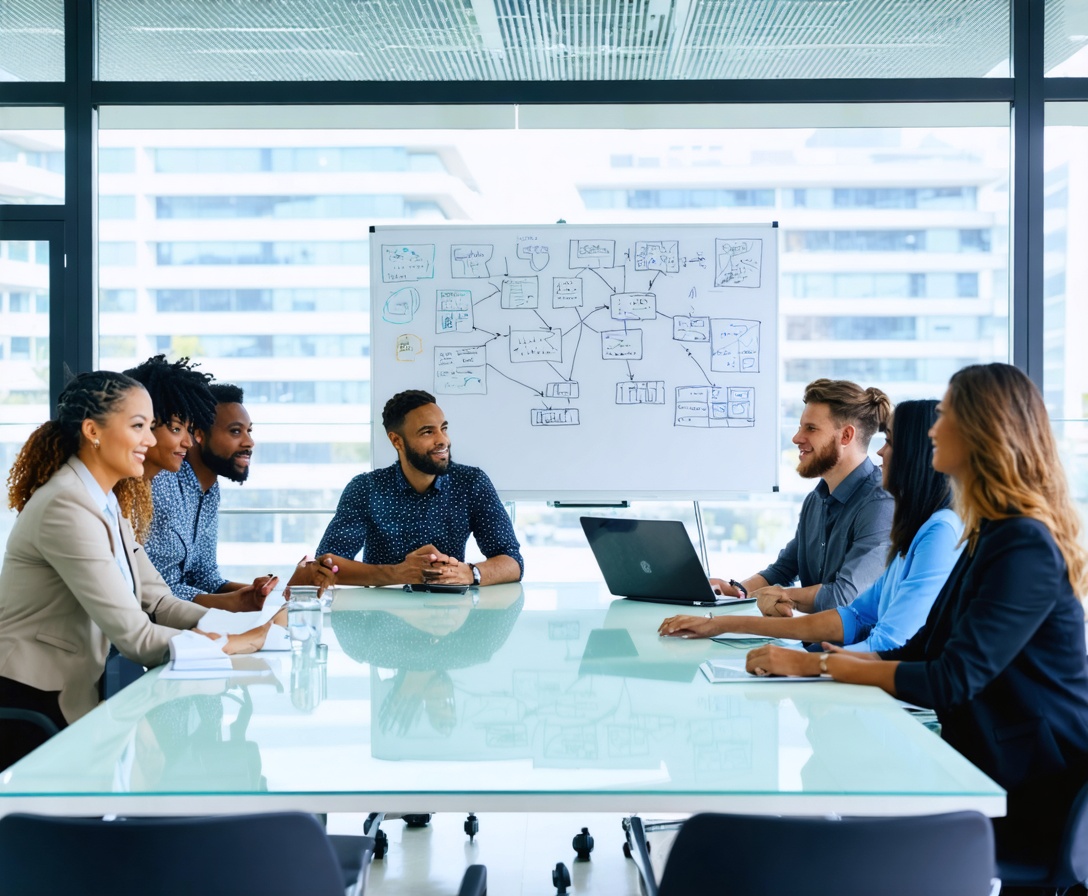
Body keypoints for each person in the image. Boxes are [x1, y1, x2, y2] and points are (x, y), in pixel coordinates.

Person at [746, 363, 1088, 868]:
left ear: (981, 432)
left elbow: (952, 678)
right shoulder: (988, 532)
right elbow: (922, 649)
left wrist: (819, 665)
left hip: (1031, 791)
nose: (932, 431)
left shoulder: (1022, 543)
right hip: (986, 765)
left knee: (852, 838)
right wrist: (822, 666)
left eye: (945, 416)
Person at [0, 371, 276, 770]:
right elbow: (137, 637)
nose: (149, 439)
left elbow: (159, 600)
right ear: (93, 431)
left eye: (150, 426)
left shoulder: (106, 502)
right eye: (138, 426)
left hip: (70, 695)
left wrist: (239, 624)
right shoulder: (66, 506)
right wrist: (232, 642)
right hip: (30, 701)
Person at [658, 399, 962, 651]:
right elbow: (853, 615)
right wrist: (723, 619)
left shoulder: (931, 529)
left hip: (870, 676)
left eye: (811, 428)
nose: (881, 452)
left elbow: (885, 641)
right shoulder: (824, 501)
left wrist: (805, 660)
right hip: (834, 656)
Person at [296, 389, 523, 588]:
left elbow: (512, 562)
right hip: (379, 615)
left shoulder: (471, 482)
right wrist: (397, 573)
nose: (443, 440)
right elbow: (325, 565)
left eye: (443, 428)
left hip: (448, 614)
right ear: (397, 441)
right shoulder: (366, 488)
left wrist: (470, 573)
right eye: (428, 432)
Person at [714, 378, 894, 616]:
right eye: (800, 427)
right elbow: (784, 569)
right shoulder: (816, 500)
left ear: (846, 436)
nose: (797, 438)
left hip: (855, 640)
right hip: (812, 635)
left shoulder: (880, 505)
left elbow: (843, 598)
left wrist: (779, 597)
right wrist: (736, 591)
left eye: (811, 428)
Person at [145, 382, 276, 608]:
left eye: (249, 431)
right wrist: (233, 603)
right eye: (235, 431)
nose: (249, 442)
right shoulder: (162, 481)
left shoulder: (209, 491)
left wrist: (261, 594)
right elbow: (160, 590)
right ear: (198, 434)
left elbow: (205, 578)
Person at [122, 354, 218, 544]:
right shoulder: (114, 491)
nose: (188, 443)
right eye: (176, 429)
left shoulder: (141, 491)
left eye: (189, 430)